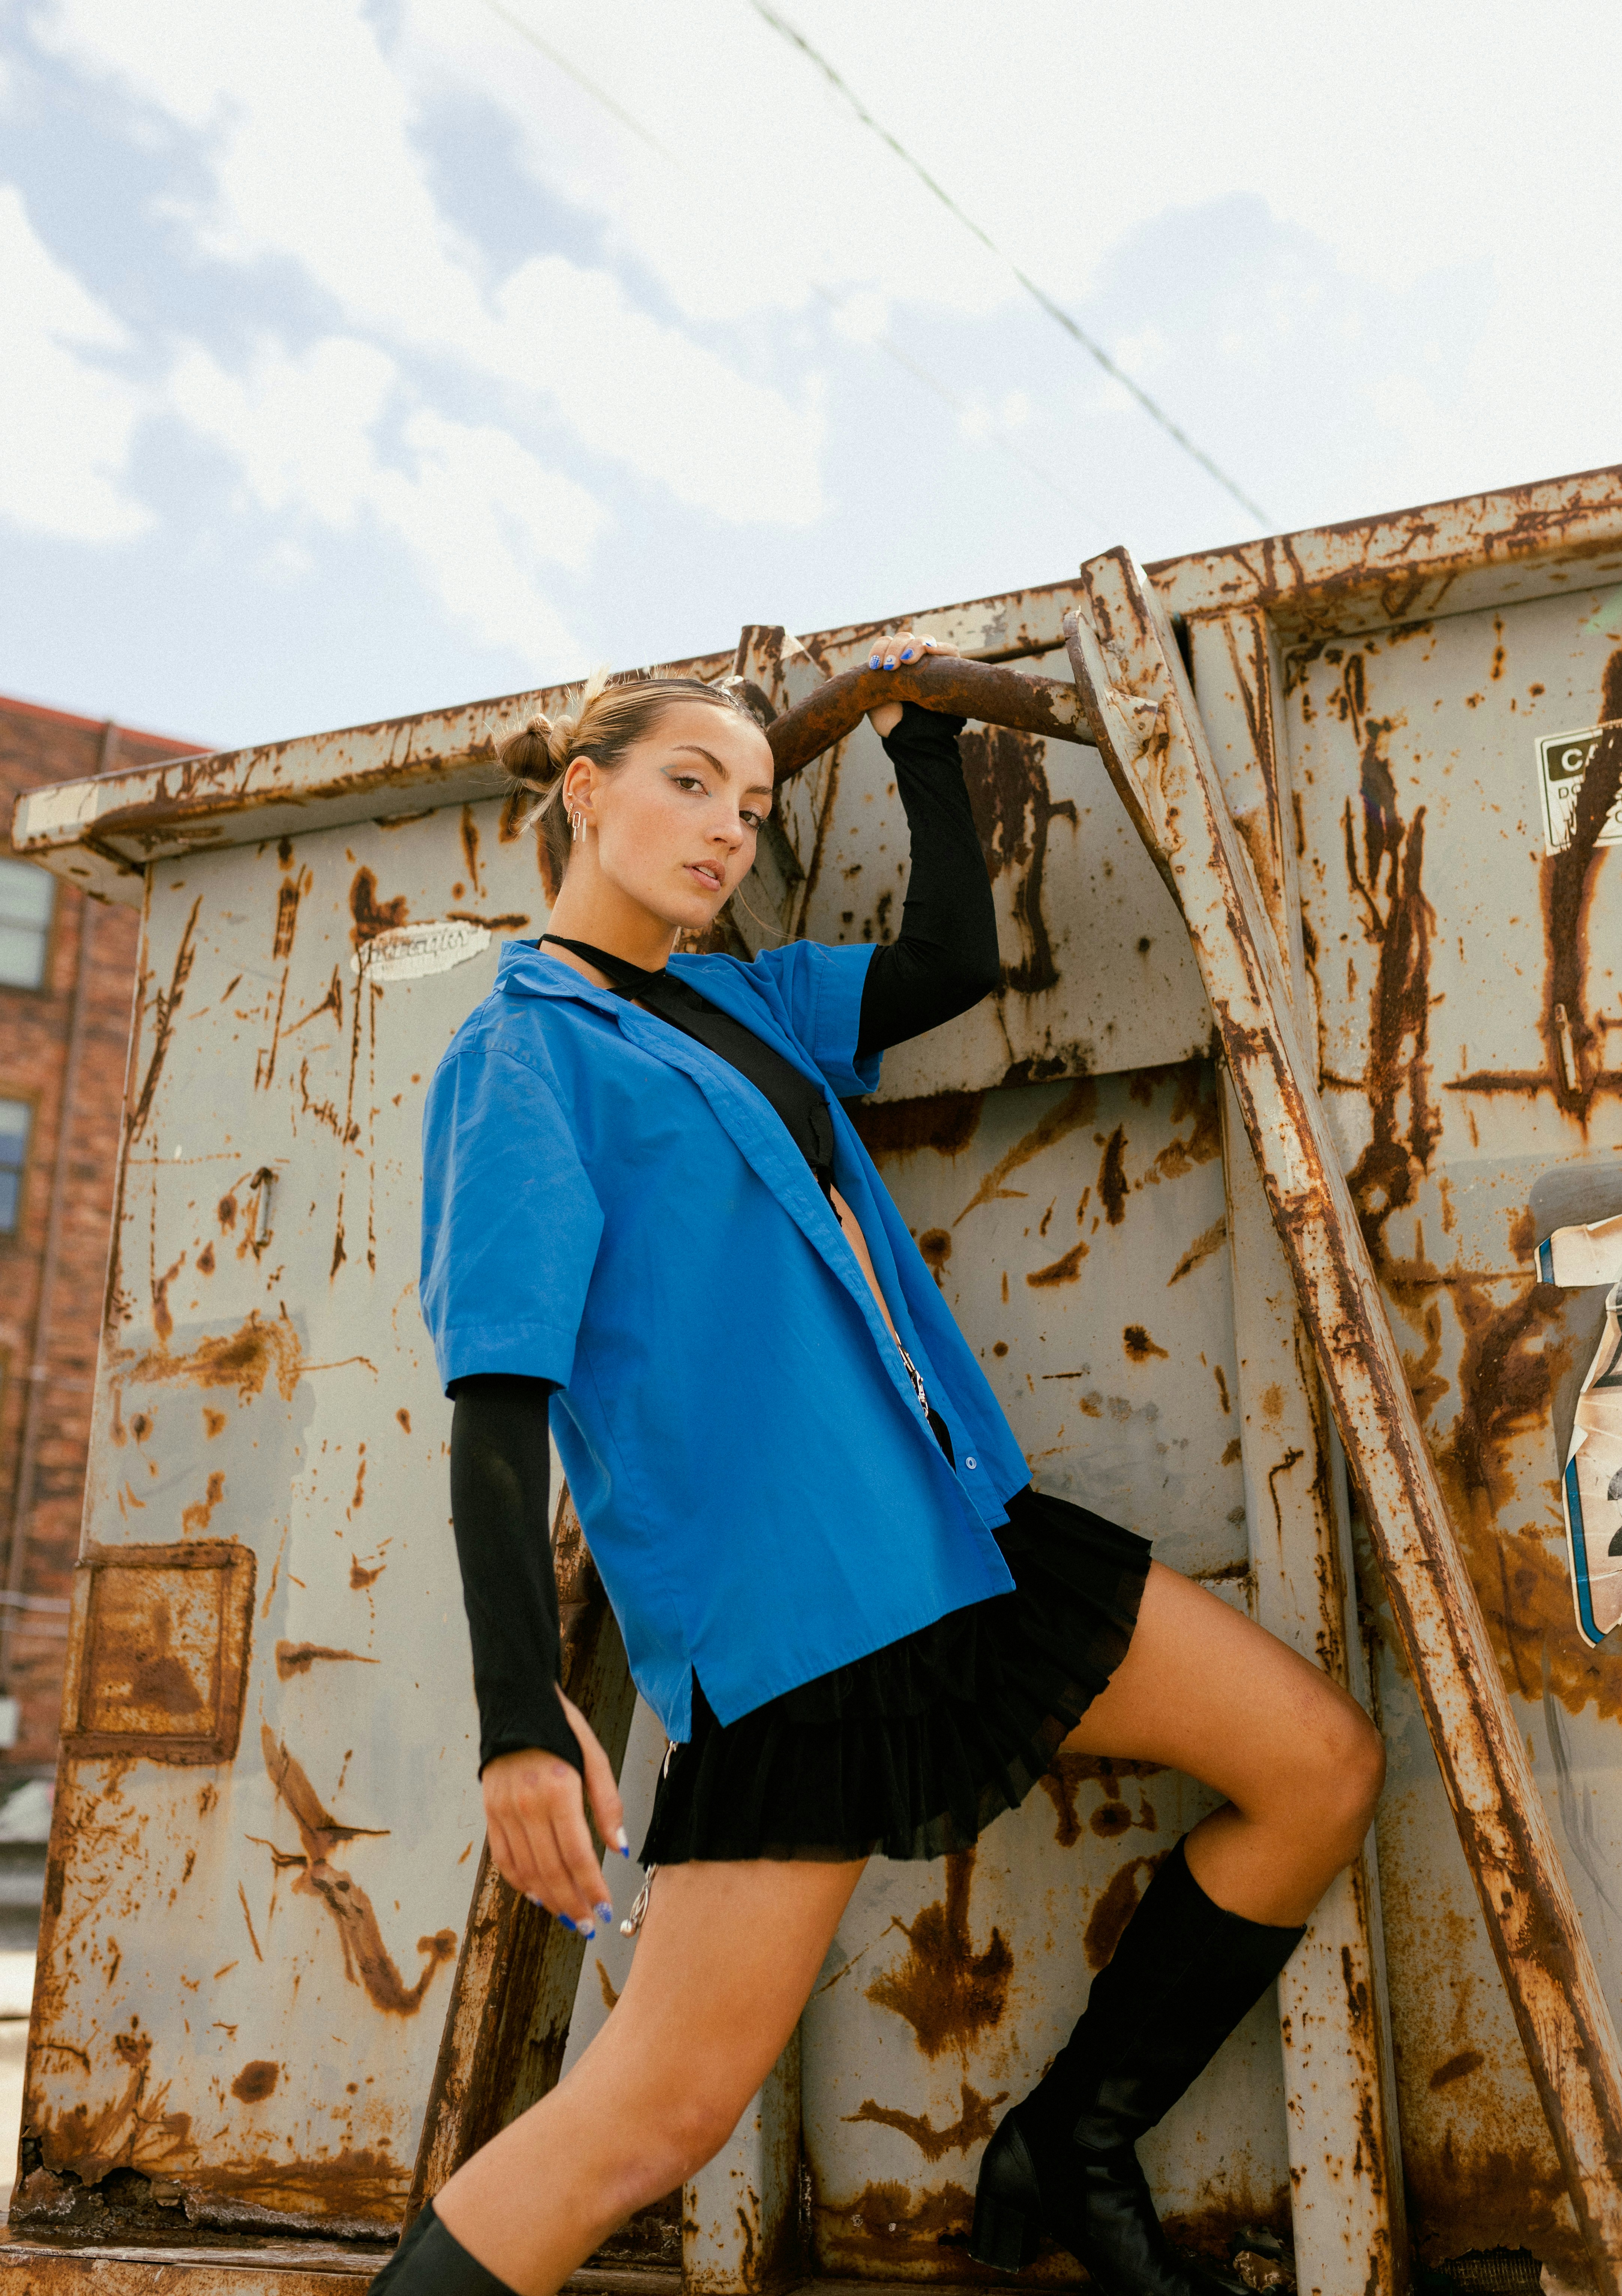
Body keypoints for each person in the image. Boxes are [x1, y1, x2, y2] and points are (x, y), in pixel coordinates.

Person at [383, 640, 1385, 2296]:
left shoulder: (728, 995)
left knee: (1317, 1765)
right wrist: (514, 1720)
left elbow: (943, 964)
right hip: (799, 1630)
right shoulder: (522, 1057)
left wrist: (924, 753)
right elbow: (496, 1405)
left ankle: (1071, 2137)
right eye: (687, 783)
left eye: (751, 799)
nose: (723, 828)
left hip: (958, 1537)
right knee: (652, 2119)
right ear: (586, 791)